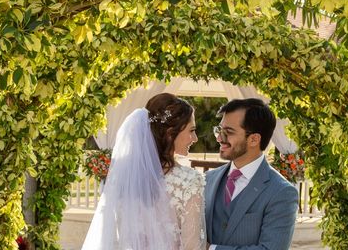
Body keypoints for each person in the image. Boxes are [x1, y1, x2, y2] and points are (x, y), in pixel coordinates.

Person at [81, 92, 206, 250]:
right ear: (169, 133)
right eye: (191, 130)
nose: (195, 138)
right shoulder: (189, 181)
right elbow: (192, 247)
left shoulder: (125, 178)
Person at [205, 98, 299, 250]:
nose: (219, 138)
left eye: (228, 132)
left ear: (254, 139)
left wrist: (210, 249)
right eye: (219, 130)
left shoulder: (282, 193)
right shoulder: (208, 180)